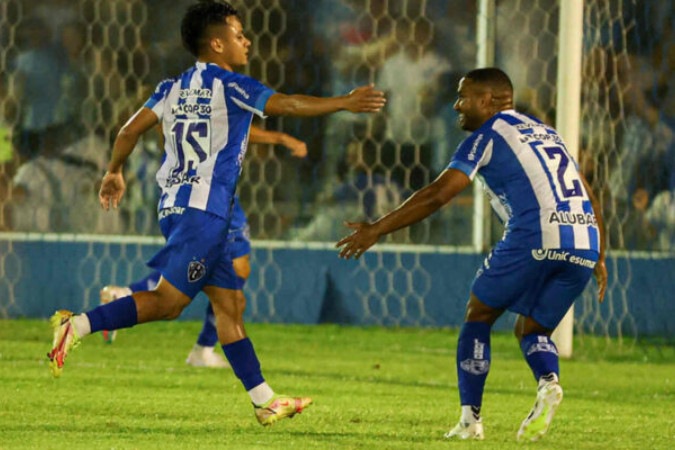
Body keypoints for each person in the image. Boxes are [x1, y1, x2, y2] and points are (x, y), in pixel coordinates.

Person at [47, 0, 385, 427]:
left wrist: (114, 171)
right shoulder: (230, 84)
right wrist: (345, 102)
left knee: (230, 305)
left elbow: (128, 130)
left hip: (178, 207)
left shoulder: (170, 87)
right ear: (216, 43)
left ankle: (265, 401)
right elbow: (289, 105)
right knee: (170, 304)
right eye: (238, 33)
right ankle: (75, 327)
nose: (246, 40)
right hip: (203, 212)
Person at [336, 68, 607, 442]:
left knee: (479, 313)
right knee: (532, 328)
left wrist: (377, 228)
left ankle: (470, 421)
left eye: (463, 97)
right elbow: (589, 195)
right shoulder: (547, 133)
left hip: (535, 234)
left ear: (487, 101)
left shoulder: (487, 136)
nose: (456, 105)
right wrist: (600, 256)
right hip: (583, 240)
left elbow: (438, 194)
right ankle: (548, 382)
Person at [100, 125, 308, 369]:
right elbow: (234, 127)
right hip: (208, 191)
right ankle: (199, 347)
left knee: (218, 266)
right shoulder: (215, 92)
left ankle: (198, 346)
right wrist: (281, 137)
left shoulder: (176, 93)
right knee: (226, 271)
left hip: (185, 185)